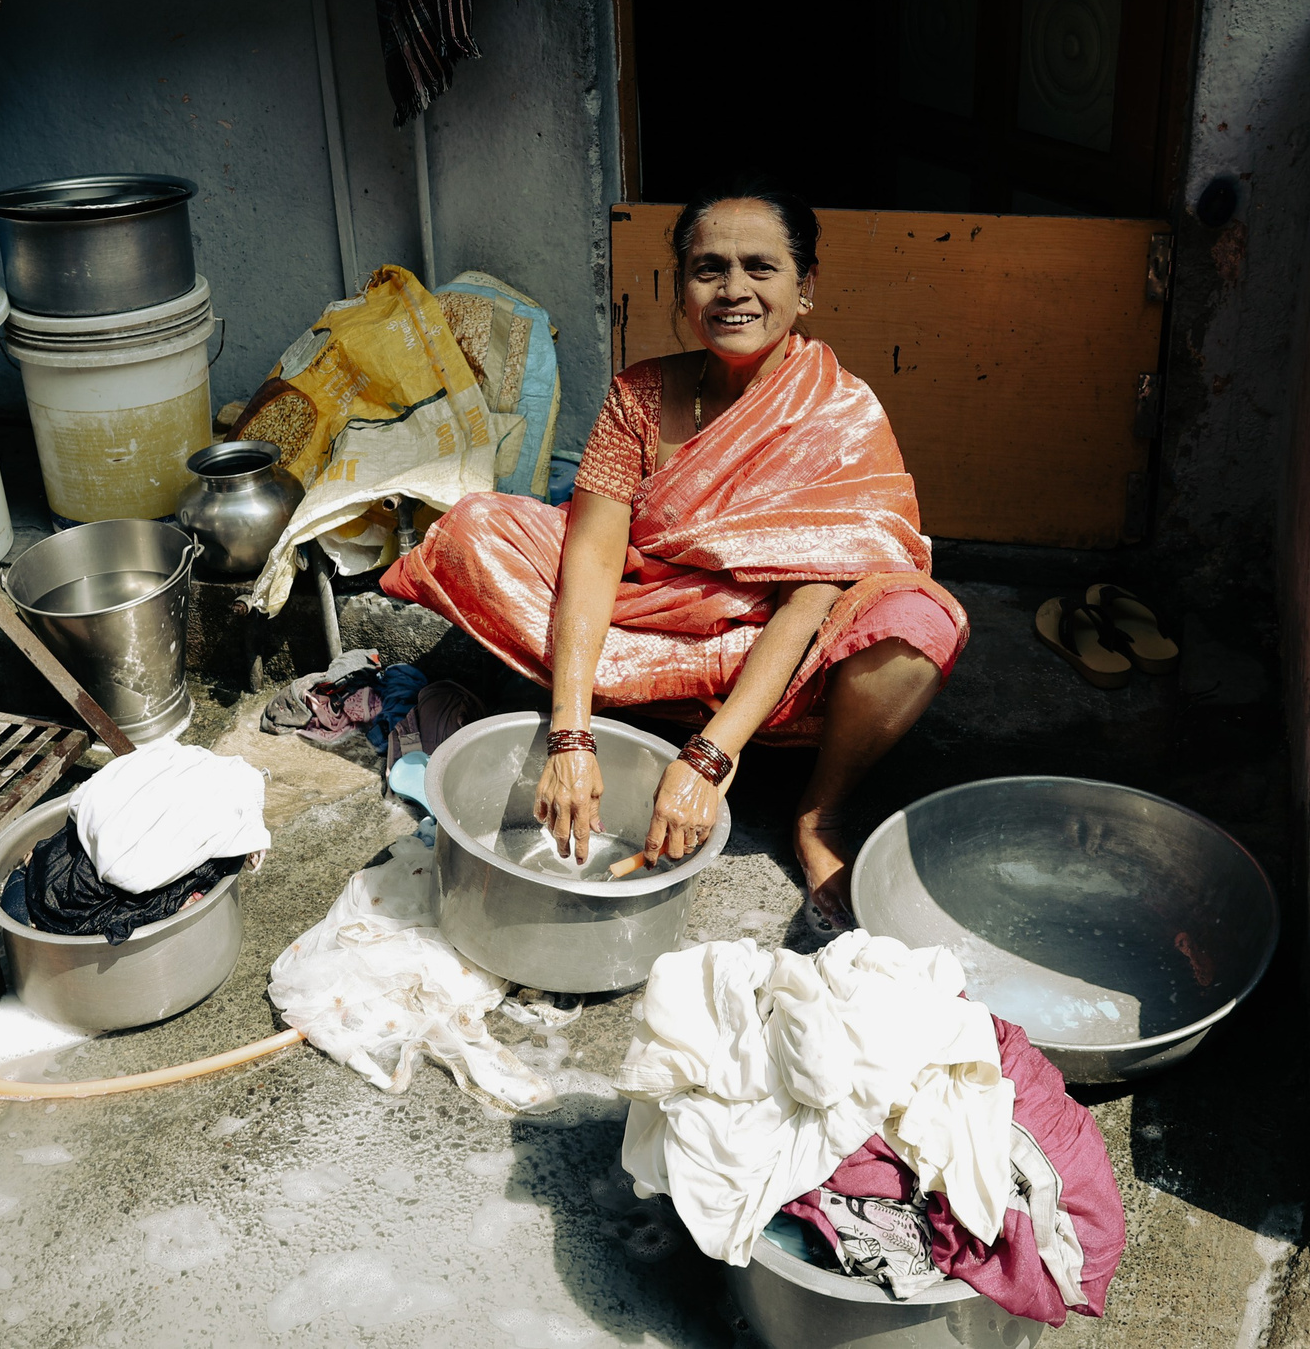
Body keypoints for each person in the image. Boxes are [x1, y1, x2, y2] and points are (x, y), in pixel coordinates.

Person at [381, 191, 967, 920]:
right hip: (640, 619)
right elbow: (592, 556)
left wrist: (710, 756)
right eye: (708, 269)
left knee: (921, 624)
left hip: (766, 651)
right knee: (476, 528)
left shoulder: (836, 411)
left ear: (805, 286)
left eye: (761, 267)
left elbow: (807, 600)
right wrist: (569, 733)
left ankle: (819, 813)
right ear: (681, 287)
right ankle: (618, 705)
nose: (734, 291)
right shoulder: (638, 395)